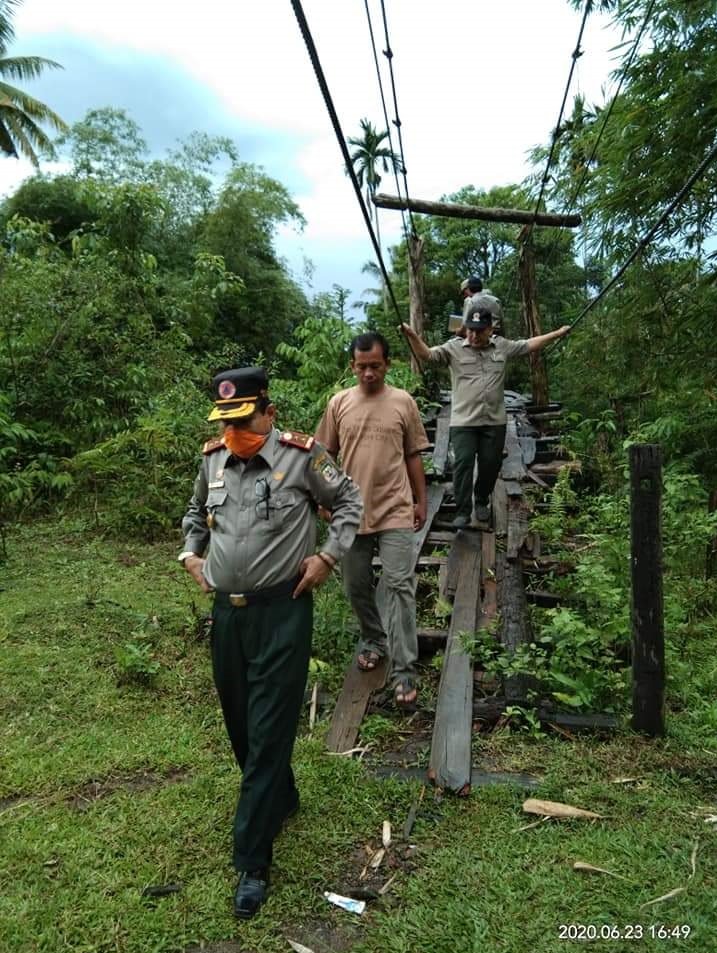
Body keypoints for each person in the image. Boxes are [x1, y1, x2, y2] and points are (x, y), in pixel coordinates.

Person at [179, 366, 362, 920]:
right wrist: (190, 554)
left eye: (244, 419)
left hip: (283, 612)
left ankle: (252, 861)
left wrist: (328, 556)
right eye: (225, 421)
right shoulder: (212, 460)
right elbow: (195, 515)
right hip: (228, 619)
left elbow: (350, 501)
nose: (234, 431)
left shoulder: (302, 456)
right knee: (241, 726)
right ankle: (280, 795)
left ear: (269, 411)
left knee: (267, 731)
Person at [315, 332, 430, 708]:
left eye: (375, 366)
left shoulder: (403, 402)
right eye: (362, 366)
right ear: (352, 366)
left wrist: (420, 500)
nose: (368, 373)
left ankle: (404, 669)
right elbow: (323, 456)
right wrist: (324, 496)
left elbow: (413, 455)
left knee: (399, 587)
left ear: (387, 365)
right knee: (355, 585)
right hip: (350, 511)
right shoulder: (339, 404)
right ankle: (374, 637)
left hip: (395, 507)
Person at [401, 309, 570, 528]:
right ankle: (462, 511)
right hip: (463, 421)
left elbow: (528, 345)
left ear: (491, 330)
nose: (474, 335)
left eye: (480, 331)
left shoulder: (502, 346)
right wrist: (411, 335)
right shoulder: (453, 348)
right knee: (463, 464)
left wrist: (557, 334)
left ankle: (481, 499)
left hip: (494, 421)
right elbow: (427, 355)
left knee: (491, 465)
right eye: (470, 330)